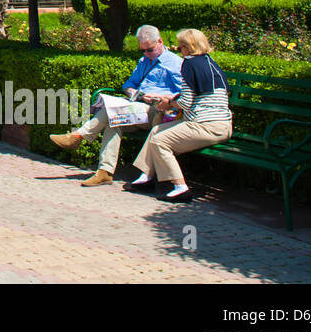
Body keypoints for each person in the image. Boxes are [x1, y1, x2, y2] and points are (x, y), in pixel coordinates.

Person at [50, 25, 184, 186]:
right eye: (142, 50)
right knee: (114, 122)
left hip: (156, 111)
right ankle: (104, 172)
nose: (146, 54)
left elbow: (183, 94)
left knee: (113, 112)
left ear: (160, 42)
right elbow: (128, 85)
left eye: (149, 50)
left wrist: (160, 97)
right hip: (137, 106)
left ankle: (78, 136)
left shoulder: (175, 63)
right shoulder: (144, 61)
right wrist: (135, 93)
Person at [128, 28, 233, 201]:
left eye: (180, 46)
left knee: (160, 141)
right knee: (156, 131)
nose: (178, 49)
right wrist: (173, 100)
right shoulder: (210, 62)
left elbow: (185, 103)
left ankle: (179, 186)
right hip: (222, 124)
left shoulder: (189, 64)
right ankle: (146, 176)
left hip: (205, 125)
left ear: (188, 46)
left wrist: (168, 103)